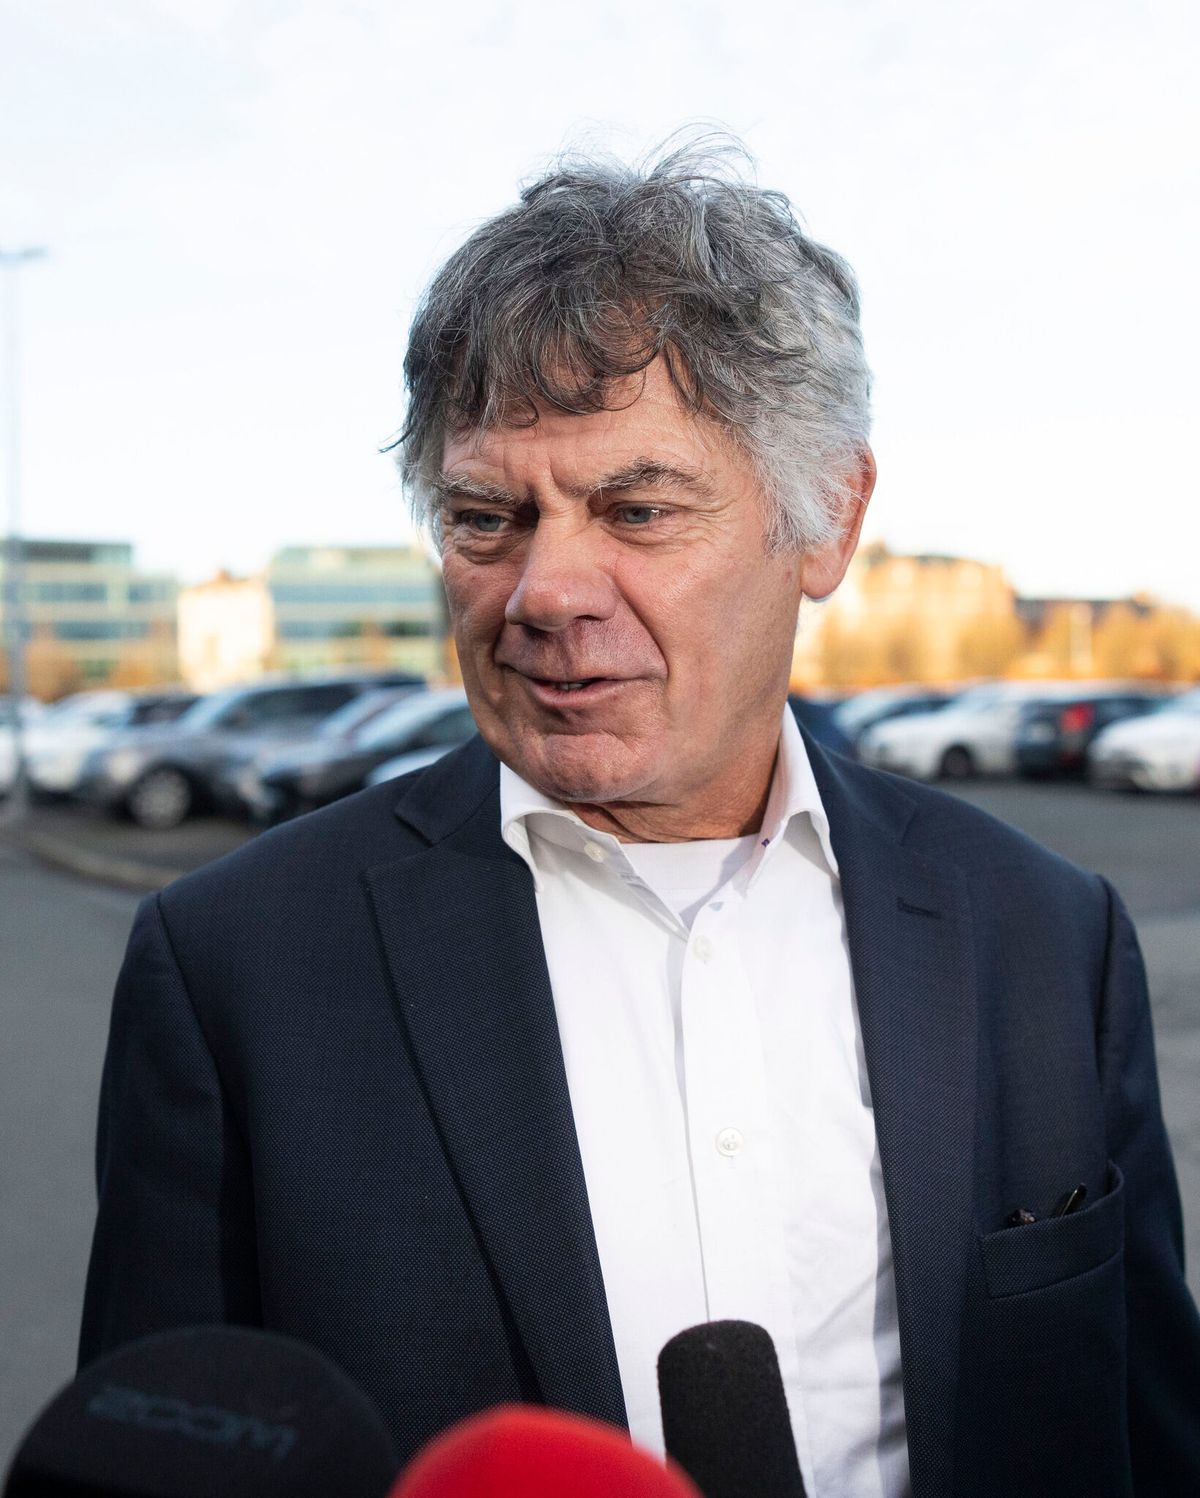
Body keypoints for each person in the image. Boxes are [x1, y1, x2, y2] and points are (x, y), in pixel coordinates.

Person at [79, 137, 1200, 1497]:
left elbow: (1146, 1434)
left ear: (827, 519)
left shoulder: (1042, 935)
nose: (547, 589)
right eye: (488, 517)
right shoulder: (236, 969)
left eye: (637, 507)